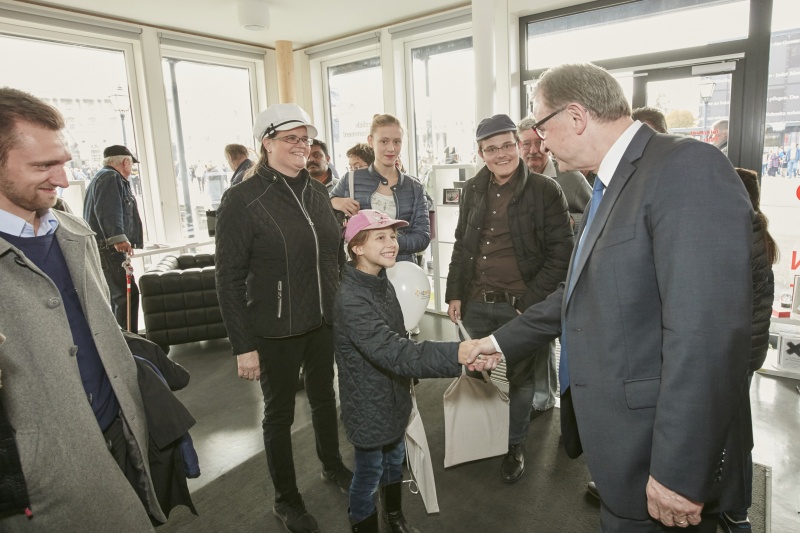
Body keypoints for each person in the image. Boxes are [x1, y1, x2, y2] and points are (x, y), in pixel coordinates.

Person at [468, 63, 753, 531]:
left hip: (660, 457)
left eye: (541, 128)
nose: (539, 143)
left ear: (575, 117)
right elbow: (578, 291)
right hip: (624, 446)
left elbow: (706, 336)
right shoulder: (610, 182)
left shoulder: (685, 168)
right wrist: (499, 343)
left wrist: (679, 473)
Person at [0, 87, 163, 530]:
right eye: (43, 166)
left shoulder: (76, 232)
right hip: (47, 477)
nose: (63, 179)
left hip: (120, 436)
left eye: (64, 162)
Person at [215, 102, 352, 533]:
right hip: (274, 329)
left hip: (323, 321)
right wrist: (243, 346)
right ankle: (286, 499)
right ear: (267, 142)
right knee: (279, 415)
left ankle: (332, 465)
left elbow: (333, 257)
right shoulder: (243, 199)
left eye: (305, 139)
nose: (301, 146)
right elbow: (227, 279)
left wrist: (343, 305)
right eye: (291, 138)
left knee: (324, 399)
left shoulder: (317, 192)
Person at [334, 209, 495, 533]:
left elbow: (399, 340)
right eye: (380, 237)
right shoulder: (351, 299)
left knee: (395, 460)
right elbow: (395, 351)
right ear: (357, 247)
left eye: (393, 236)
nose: (392, 243)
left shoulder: (382, 282)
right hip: (368, 404)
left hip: (394, 393)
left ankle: (394, 518)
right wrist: (457, 353)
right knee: (369, 473)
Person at [445, 113, 574, 484]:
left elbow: (562, 255)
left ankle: (514, 444)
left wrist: (529, 302)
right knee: (473, 371)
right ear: (481, 153)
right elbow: (462, 245)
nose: (500, 154)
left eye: (506, 145)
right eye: (491, 149)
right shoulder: (473, 189)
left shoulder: (546, 191)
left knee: (521, 379)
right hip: (474, 302)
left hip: (519, 306)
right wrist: (455, 292)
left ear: (518, 145)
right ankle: (480, 433)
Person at [516, 116, 588, 416]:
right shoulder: (514, 180)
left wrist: (571, 222)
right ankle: (542, 398)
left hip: (567, 276)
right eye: (526, 144)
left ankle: (576, 411)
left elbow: (599, 218)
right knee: (535, 338)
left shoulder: (570, 178)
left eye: (538, 142)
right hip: (531, 277)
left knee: (571, 343)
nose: (533, 150)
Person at [718, 168, 777, 533]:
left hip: (735, 353)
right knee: (737, 429)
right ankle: (734, 506)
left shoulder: (741, 232)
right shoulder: (756, 230)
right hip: (744, 352)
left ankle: (735, 508)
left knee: (734, 432)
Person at [330, 114, 430, 263]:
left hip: (403, 269)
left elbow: (422, 237)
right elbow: (324, 218)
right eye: (384, 141)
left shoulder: (414, 187)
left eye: (397, 142)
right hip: (362, 270)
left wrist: (383, 241)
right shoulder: (350, 180)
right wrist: (334, 202)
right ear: (371, 141)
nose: (391, 148)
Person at [83, 144, 143, 333]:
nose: (131, 169)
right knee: (124, 297)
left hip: (105, 248)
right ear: (125, 162)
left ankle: (125, 339)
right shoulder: (110, 177)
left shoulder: (103, 177)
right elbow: (108, 211)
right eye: (131, 164)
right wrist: (118, 239)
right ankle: (128, 343)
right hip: (109, 249)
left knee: (121, 296)